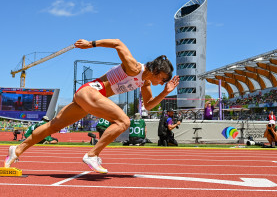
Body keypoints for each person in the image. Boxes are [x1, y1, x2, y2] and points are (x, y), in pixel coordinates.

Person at [5, 38, 179, 174]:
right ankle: (92, 155)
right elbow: (118, 43)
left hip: (88, 98)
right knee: (123, 122)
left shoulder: (145, 83)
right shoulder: (135, 68)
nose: (162, 82)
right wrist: (91, 44)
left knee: (53, 126)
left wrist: (165, 92)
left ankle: (17, 150)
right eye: (163, 79)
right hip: (91, 92)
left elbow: (148, 106)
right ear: (156, 70)